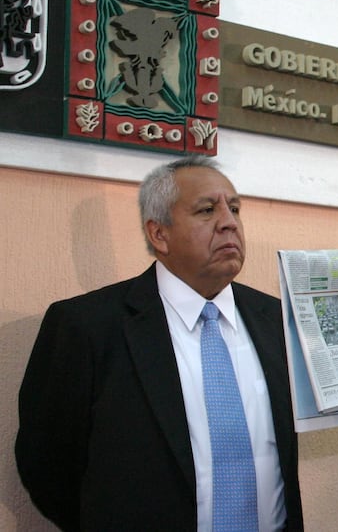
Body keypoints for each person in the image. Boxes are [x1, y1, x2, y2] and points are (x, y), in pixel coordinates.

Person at [16, 156, 303, 531]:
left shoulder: (280, 321)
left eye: (234, 208)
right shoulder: (87, 326)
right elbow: (47, 465)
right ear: (159, 234)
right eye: (206, 210)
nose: (229, 222)